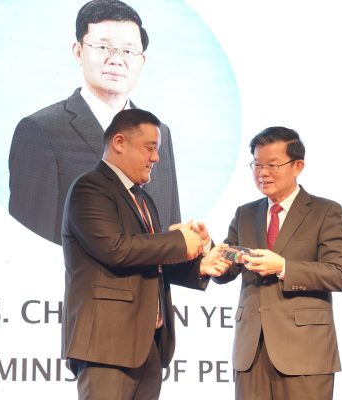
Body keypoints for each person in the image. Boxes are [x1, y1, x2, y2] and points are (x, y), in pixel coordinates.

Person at [61, 109, 228, 399]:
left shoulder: (143, 199)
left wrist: (199, 265)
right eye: (150, 148)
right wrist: (180, 242)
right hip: (108, 345)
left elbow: (149, 260)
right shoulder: (90, 188)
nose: (156, 158)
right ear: (119, 142)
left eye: (157, 149)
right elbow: (116, 250)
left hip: (147, 344)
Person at [8, 0, 180, 245]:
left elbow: (170, 237)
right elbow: (30, 242)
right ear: (79, 52)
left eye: (128, 51)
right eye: (103, 47)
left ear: (142, 61)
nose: (116, 60)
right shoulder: (41, 131)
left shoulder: (161, 133)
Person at [213, 127, 342, 400]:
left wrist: (283, 267)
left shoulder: (325, 211)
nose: (262, 173)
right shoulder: (245, 213)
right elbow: (226, 267)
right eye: (257, 165)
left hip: (304, 351)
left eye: (272, 165)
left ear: (297, 166)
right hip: (251, 352)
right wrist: (210, 252)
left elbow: (339, 273)